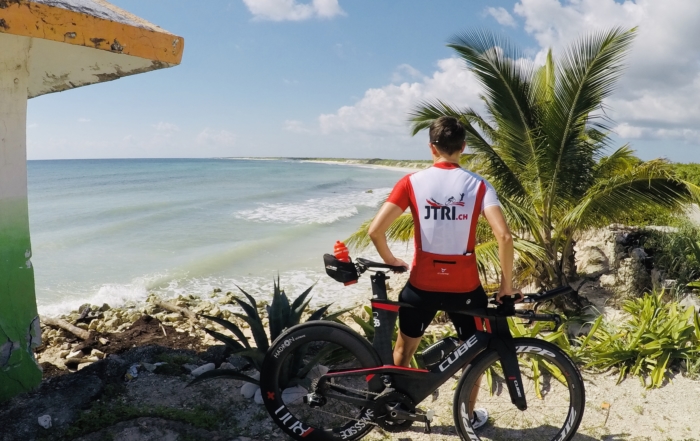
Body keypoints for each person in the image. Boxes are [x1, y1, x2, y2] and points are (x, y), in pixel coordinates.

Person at [367, 116, 522, 429]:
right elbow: (505, 237)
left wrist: (392, 260)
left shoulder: (411, 182)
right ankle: (467, 418)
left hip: (421, 284)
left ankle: (396, 408)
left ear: (431, 148)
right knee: (474, 356)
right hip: (465, 289)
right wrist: (506, 285)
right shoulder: (479, 185)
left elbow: (375, 231)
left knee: (404, 348)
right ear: (463, 147)